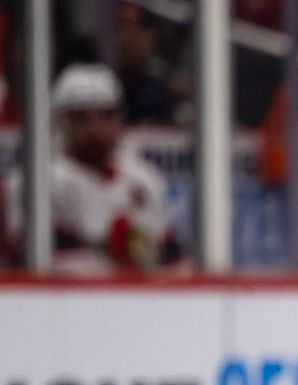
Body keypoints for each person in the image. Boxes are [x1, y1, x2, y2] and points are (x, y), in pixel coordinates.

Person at [2, 64, 180, 275]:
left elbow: (170, 254)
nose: (95, 129)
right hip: (56, 301)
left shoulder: (145, 179)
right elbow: (30, 253)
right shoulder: (31, 180)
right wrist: (110, 247)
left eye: (106, 116)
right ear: (59, 122)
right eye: (81, 118)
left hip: (135, 301)